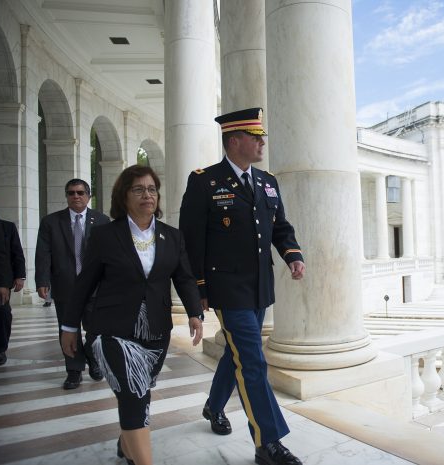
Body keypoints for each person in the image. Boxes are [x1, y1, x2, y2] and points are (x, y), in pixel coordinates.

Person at [180, 107, 305, 465]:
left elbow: (279, 226)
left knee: (238, 351)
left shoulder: (267, 181)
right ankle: (268, 443)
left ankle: (213, 405)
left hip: (260, 286)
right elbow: (192, 239)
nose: (262, 142)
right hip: (226, 286)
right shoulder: (204, 181)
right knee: (252, 359)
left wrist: (292, 254)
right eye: (256, 137)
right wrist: (198, 289)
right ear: (235, 141)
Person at [61, 165, 203, 465]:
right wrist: (70, 327)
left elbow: (185, 278)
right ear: (123, 196)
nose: (147, 195)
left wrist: (194, 313)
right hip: (113, 329)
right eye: (138, 189)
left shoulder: (172, 236)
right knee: (133, 393)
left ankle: (127, 444)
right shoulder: (104, 236)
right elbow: (84, 283)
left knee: (141, 391)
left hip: (155, 330)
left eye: (151, 189)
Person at [35, 179, 109, 389]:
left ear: (88, 196)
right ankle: (74, 371)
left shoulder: (102, 221)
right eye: (71, 193)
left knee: (96, 330)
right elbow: (43, 254)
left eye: (80, 192)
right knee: (68, 330)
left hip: (95, 288)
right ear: (66, 196)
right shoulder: (51, 222)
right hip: (65, 286)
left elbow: (110, 254)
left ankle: (94, 361)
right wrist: (42, 280)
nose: (75, 196)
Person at [0, 195, 26, 365]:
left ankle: (0, 349)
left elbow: (12, 254)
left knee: (3, 314)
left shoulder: (4, 226)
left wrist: (17, 277)